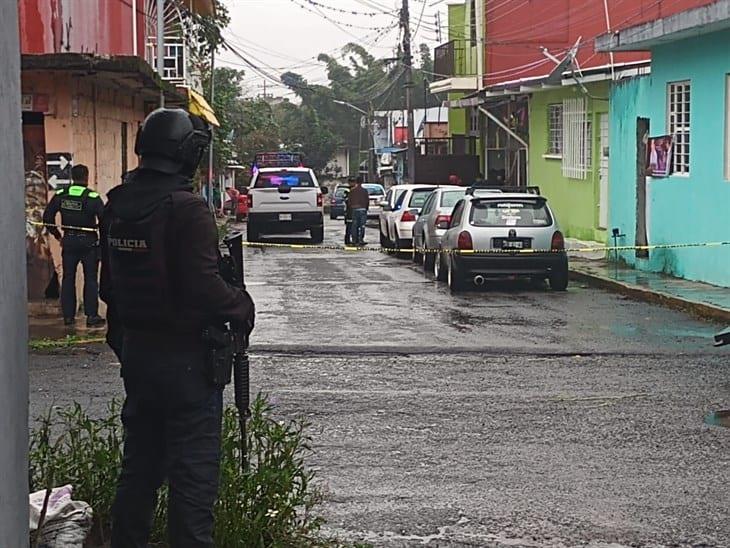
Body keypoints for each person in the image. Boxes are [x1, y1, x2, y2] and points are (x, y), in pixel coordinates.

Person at [99, 108, 256, 547]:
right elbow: (203, 287)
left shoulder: (116, 205)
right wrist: (241, 305)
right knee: (193, 477)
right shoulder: (186, 209)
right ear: (186, 153)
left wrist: (129, 347)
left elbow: (108, 288)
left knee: (140, 469)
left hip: (140, 357)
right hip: (187, 362)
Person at [42, 164, 106, 327]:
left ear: (72, 177)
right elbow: (105, 219)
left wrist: (58, 236)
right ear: (86, 177)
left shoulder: (61, 195)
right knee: (90, 278)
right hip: (88, 242)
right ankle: (91, 316)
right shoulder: (92, 197)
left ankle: (68, 317)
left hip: (69, 241)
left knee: (68, 278)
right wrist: (99, 230)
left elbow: (47, 217)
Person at [347, 176, 369, 246]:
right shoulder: (364, 191)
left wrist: (351, 207)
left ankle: (354, 240)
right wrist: (366, 208)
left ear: (356, 182)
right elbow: (367, 200)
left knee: (354, 225)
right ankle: (361, 239)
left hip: (354, 209)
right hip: (363, 209)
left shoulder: (352, 191)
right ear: (362, 182)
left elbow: (349, 201)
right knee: (362, 225)